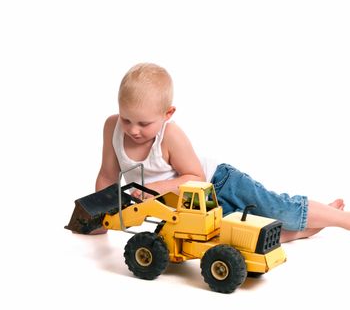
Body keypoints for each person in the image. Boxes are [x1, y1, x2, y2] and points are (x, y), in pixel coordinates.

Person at [95, 62, 349, 242]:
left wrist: (158, 187)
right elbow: (108, 175)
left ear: (167, 114)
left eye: (144, 123)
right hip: (184, 209)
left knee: (279, 210)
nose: (133, 130)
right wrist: (98, 215)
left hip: (218, 184)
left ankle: (340, 219)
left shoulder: (170, 135)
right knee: (237, 238)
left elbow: (195, 177)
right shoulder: (112, 127)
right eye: (127, 119)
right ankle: (303, 231)